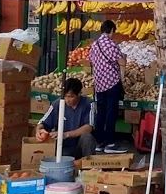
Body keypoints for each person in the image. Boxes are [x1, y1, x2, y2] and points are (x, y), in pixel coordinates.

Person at [89, 20, 129, 154]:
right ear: (111, 30)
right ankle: (110, 143)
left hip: (99, 83)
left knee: (100, 112)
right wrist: (122, 78)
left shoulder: (94, 45)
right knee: (111, 112)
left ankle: (99, 142)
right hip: (112, 82)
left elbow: (91, 62)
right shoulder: (111, 44)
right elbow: (121, 62)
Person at [35, 78, 98, 158]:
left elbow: (88, 127)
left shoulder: (88, 104)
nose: (67, 100)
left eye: (71, 96)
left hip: (80, 146)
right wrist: (39, 131)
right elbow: (42, 123)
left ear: (79, 94)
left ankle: (90, 167)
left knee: (87, 137)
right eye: (65, 96)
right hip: (63, 148)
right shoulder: (57, 104)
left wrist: (65, 134)